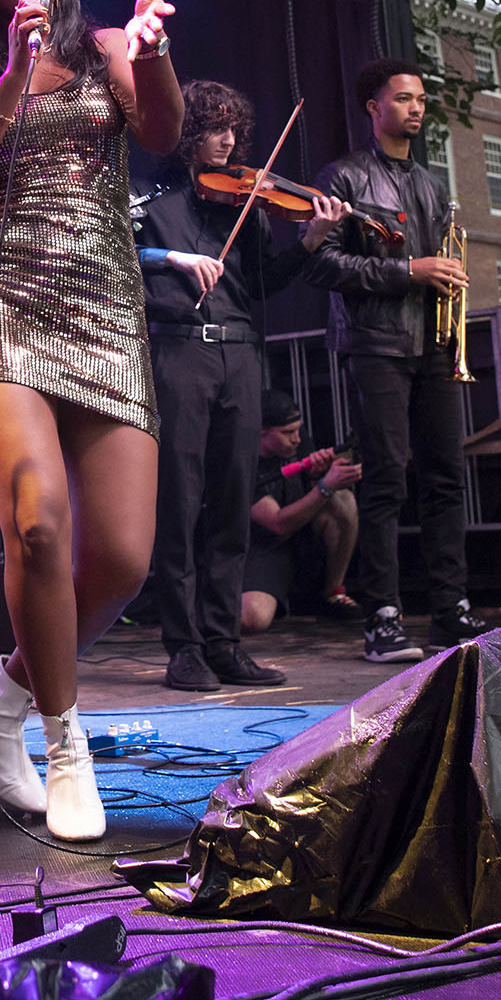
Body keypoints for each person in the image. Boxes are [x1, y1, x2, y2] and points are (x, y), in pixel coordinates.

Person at [0, 0, 181, 842]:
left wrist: (153, 56)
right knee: (36, 522)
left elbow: (160, 131)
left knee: (119, 557)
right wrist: (13, 76)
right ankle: (65, 742)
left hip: (106, 306)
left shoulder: (108, 46)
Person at [136, 79, 347, 691]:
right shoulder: (153, 205)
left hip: (240, 357)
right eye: (214, 128)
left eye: (234, 129)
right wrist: (172, 264)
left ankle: (224, 642)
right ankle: (184, 647)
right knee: (179, 500)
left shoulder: (245, 206)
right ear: (186, 135)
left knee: (232, 502)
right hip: (178, 354)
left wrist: (309, 241)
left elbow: (259, 286)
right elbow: (123, 264)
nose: (228, 140)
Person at [303, 60, 485, 665]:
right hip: (376, 343)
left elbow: (437, 260)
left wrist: (444, 275)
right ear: (372, 107)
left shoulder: (431, 187)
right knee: (385, 479)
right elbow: (323, 265)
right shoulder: (345, 177)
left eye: (422, 99)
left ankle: (451, 607)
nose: (416, 108)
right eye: (404, 98)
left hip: (434, 347)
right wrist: (409, 272)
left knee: (445, 479)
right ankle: (382, 615)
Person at [244, 390, 360, 635]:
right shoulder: (243, 463)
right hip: (264, 547)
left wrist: (320, 474)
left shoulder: (297, 442)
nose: (297, 439)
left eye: (298, 430)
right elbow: (277, 523)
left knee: (343, 501)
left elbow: (315, 489)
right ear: (262, 432)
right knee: (253, 617)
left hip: (302, 536)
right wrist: (325, 485)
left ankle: (333, 592)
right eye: (287, 433)